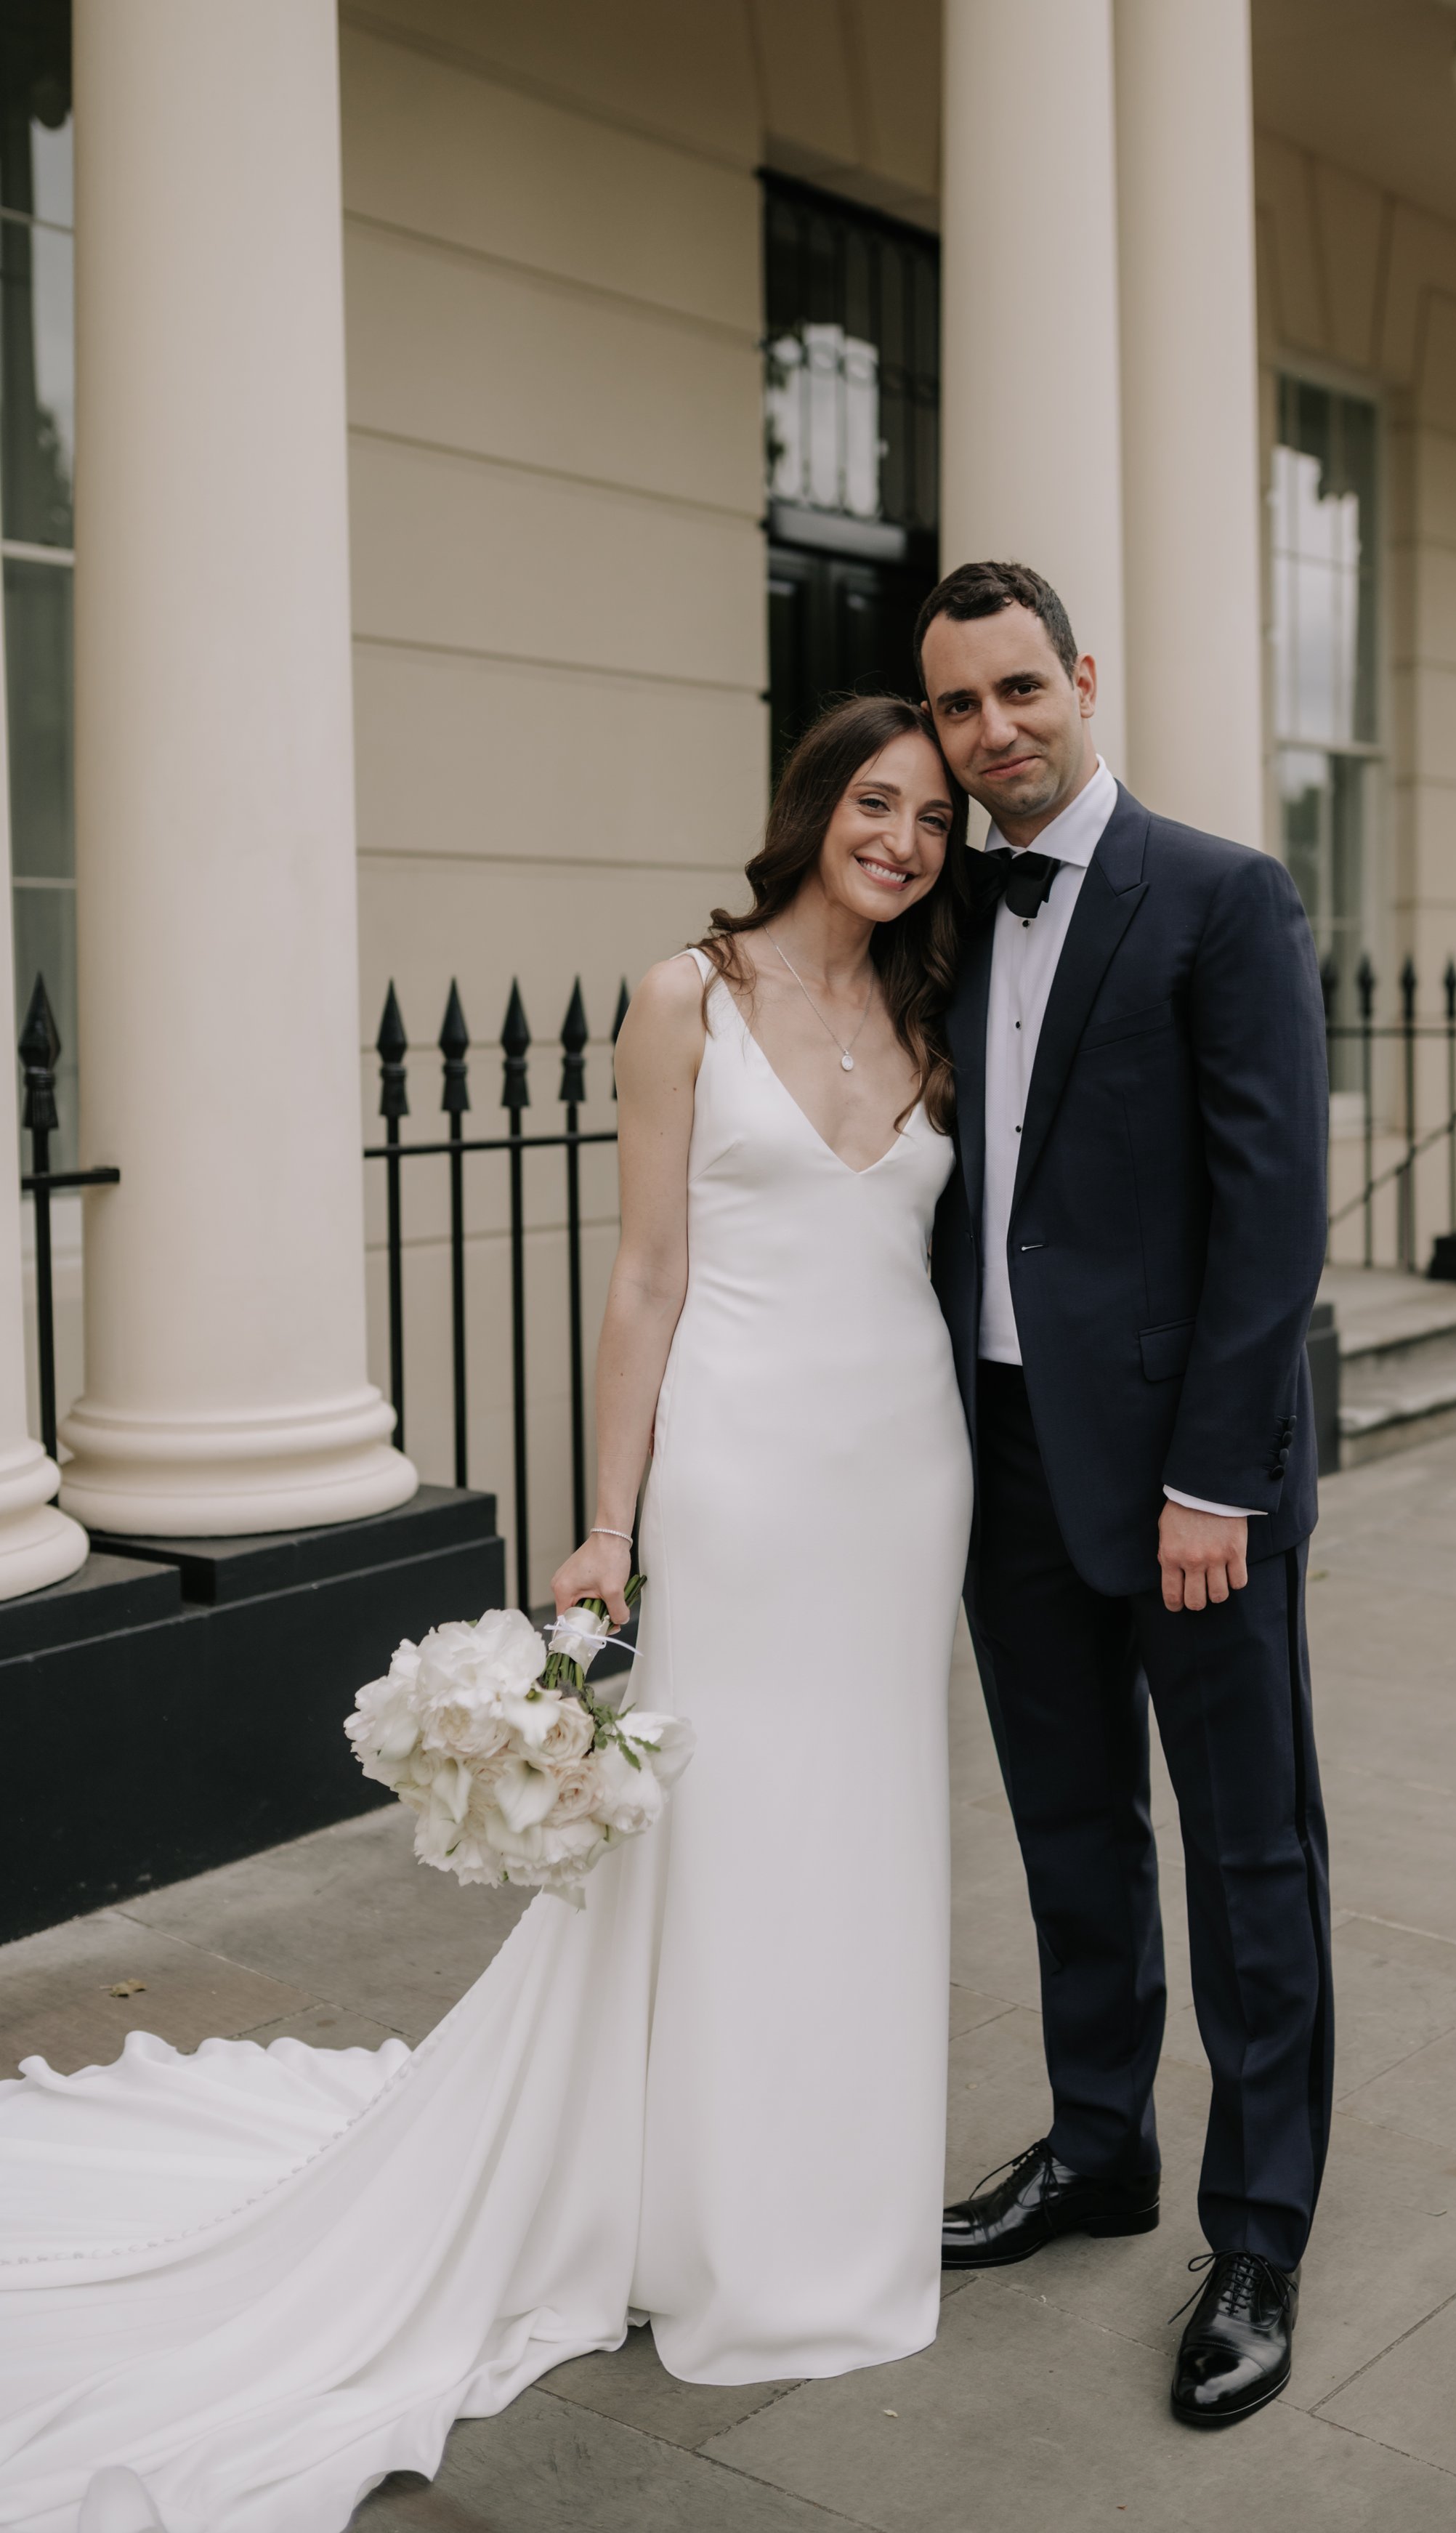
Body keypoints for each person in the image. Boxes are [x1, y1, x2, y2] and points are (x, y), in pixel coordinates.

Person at [0, 695, 974, 2533]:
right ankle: (700, 2216)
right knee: (729, 1834)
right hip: (745, 1478)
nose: (904, 838)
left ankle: (834, 2205)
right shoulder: (687, 992)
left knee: (864, 1836)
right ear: (811, 808)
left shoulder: (930, 1014)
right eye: (875, 800)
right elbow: (645, 1273)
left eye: (929, 816)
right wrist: (606, 1519)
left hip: (905, 1476)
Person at [923, 560, 1331, 2429]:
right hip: (1003, 1454)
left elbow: (1265, 1223)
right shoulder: (944, 901)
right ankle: (1100, 2148)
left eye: (1020, 691)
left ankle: (1253, 2229)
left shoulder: (1220, 893)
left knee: (1251, 1854)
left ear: (1083, 680)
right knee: (1070, 1829)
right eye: (956, 707)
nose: (992, 732)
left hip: (1188, 1486)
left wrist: (1209, 1479)